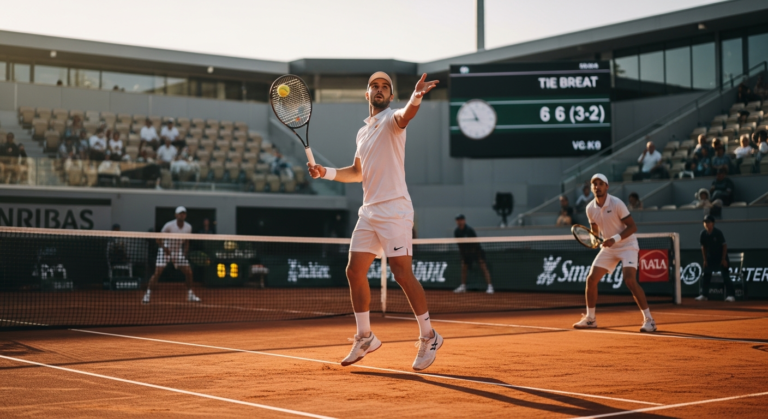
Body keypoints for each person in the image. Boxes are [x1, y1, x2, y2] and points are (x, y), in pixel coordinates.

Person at [307, 71, 442, 370]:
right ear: (366, 94)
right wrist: (324, 172)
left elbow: (408, 115)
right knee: (354, 271)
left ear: (391, 96)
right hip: (369, 211)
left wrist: (416, 96)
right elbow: (357, 172)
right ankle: (365, 337)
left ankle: (429, 336)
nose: (379, 90)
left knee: (401, 274)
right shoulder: (362, 132)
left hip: (395, 209)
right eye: (374, 86)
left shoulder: (393, 119)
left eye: (385, 87)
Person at [573, 174, 656, 333]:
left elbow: (632, 227)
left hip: (627, 245)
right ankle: (591, 319)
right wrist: (594, 240)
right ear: (592, 188)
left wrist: (614, 239)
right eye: (594, 184)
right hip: (609, 248)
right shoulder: (590, 208)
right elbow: (595, 230)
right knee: (591, 280)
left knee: (630, 280)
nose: (597, 186)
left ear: (607, 186)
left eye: (600, 184)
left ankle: (649, 320)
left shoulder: (617, 203)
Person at [142, 206, 201, 304]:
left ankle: (190, 294)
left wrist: (185, 253)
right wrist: (165, 249)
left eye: (184, 213)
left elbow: (187, 242)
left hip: (178, 252)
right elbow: (158, 239)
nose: (182, 215)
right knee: (157, 273)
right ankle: (147, 294)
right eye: (180, 213)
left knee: (189, 272)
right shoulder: (169, 226)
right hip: (165, 251)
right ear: (176, 215)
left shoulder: (188, 227)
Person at [695, 215, 735, 302]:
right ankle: (704, 295)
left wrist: (723, 259)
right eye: (705, 222)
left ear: (712, 223)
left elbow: (724, 246)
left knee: (725, 276)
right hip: (710, 258)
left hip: (721, 257)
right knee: (706, 275)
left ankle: (731, 296)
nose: (706, 224)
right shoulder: (703, 234)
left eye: (708, 222)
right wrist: (705, 260)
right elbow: (703, 247)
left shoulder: (718, 233)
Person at [452, 214, 493, 295]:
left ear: (464, 221)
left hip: (476, 251)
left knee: (483, 267)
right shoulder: (456, 232)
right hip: (466, 253)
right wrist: (463, 255)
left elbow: (475, 243)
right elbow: (459, 245)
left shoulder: (470, 230)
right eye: (458, 220)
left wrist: (476, 255)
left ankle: (490, 286)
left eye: (461, 220)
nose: (459, 221)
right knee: (463, 267)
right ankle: (463, 286)